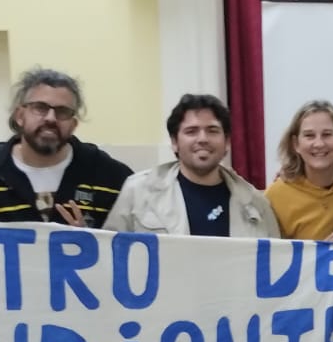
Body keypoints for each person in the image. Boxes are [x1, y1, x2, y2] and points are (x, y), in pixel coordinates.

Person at [0, 67, 132, 227]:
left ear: (73, 124)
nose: (51, 118)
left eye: (62, 111)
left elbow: (129, 242)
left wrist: (91, 240)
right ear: (19, 116)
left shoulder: (114, 178)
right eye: (40, 108)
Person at [104, 94, 278, 237]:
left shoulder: (256, 203)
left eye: (212, 131)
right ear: (175, 142)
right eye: (191, 131)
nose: (202, 139)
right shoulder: (138, 192)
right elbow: (110, 255)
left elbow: (274, 262)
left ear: (227, 142)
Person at [266, 100, 333, 241]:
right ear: (295, 144)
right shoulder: (274, 197)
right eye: (309, 135)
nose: (319, 144)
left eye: (327, 134)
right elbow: (271, 252)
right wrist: (320, 250)